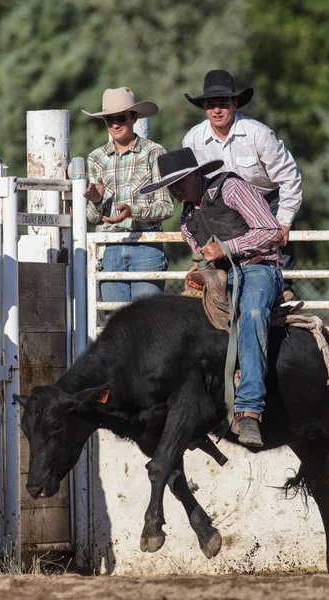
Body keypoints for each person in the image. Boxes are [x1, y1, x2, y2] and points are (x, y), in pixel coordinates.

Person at [140, 147, 284, 447]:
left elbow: (271, 230)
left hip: (258, 269)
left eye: (180, 182)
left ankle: (249, 411)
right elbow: (200, 258)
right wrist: (199, 271)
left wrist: (227, 248)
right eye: (171, 186)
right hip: (219, 277)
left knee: (253, 313)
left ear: (196, 174)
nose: (176, 190)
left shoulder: (230, 187)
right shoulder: (187, 219)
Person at [182, 69, 302, 297]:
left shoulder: (258, 133)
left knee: (275, 248)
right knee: (223, 258)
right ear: (204, 107)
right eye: (211, 104)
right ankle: (218, 286)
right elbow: (190, 183)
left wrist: (283, 221)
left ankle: (283, 289)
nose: (217, 110)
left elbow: (288, 176)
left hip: (266, 201)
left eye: (223, 103)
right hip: (220, 205)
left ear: (234, 104)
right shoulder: (193, 139)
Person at [82, 87, 174, 302]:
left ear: (133, 118)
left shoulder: (154, 152)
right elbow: (92, 218)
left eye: (121, 118)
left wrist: (133, 212)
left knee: (148, 323)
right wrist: (96, 201)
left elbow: (167, 207)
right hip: (110, 247)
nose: (114, 124)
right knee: (117, 327)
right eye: (109, 119)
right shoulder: (95, 158)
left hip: (146, 244)